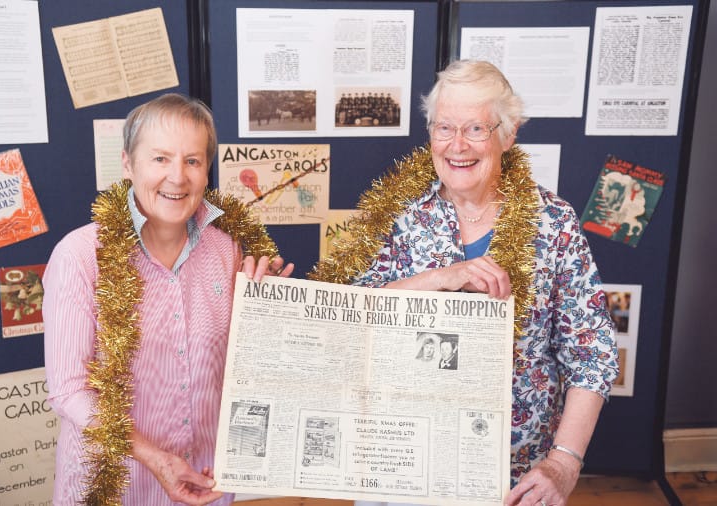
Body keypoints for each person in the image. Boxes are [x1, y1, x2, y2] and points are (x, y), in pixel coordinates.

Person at [337, 60, 618, 506]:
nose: (457, 145)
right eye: (444, 127)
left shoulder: (555, 222)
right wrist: (440, 278)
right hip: (401, 456)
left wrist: (564, 462)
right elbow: (349, 315)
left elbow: (592, 354)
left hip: (512, 471)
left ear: (509, 134)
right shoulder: (400, 215)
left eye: (475, 128)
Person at [43, 93, 293, 505]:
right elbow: (69, 391)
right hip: (115, 485)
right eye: (160, 159)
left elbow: (241, 367)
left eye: (192, 161)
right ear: (127, 163)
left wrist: (266, 313)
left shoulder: (226, 250)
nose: (177, 177)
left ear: (207, 169)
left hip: (204, 481)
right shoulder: (81, 256)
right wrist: (156, 459)